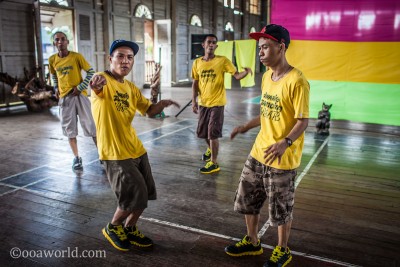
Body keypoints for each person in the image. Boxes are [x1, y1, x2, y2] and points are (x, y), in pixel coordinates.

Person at [224, 24, 310, 267]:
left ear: (281, 47)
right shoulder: (266, 78)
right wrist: (245, 127)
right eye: (259, 48)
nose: (260, 52)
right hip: (258, 151)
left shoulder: (297, 81)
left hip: (282, 158)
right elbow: (266, 114)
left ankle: (282, 250)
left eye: (265, 47)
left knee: (280, 207)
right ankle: (252, 242)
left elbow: (303, 121)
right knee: (248, 199)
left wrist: (285, 142)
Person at [89, 40, 180, 252]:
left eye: (129, 57)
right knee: (134, 192)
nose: (125, 61)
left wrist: (162, 103)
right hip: (114, 152)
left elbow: (149, 111)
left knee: (146, 192)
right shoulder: (104, 82)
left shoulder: (130, 88)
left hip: (135, 148)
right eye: (120, 56)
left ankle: (129, 228)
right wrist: (95, 83)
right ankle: (113, 227)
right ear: (110, 59)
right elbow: (96, 86)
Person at [191, 34, 253, 174]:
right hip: (203, 103)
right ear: (203, 45)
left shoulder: (222, 61)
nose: (211, 45)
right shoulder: (197, 63)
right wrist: (194, 102)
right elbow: (195, 83)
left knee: (213, 133)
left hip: (217, 103)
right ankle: (210, 149)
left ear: (216, 46)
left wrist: (246, 72)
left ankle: (214, 162)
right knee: (203, 133)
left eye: (214, 43)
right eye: (209, 42)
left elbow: (236, 75)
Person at [49, 31, 97, 171]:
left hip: (79, 96)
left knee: (91, 126)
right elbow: (54, 75)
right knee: (70, 130)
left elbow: (90, 71)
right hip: (65, 99)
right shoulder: (53, 60)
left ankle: (103, 155)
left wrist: (81, 86)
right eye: (57, 40)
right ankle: (76, 158)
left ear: (67, 42)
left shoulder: (76, 57)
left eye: (63, 39)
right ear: (54, 43)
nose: (60, 42)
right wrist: (56, 88)